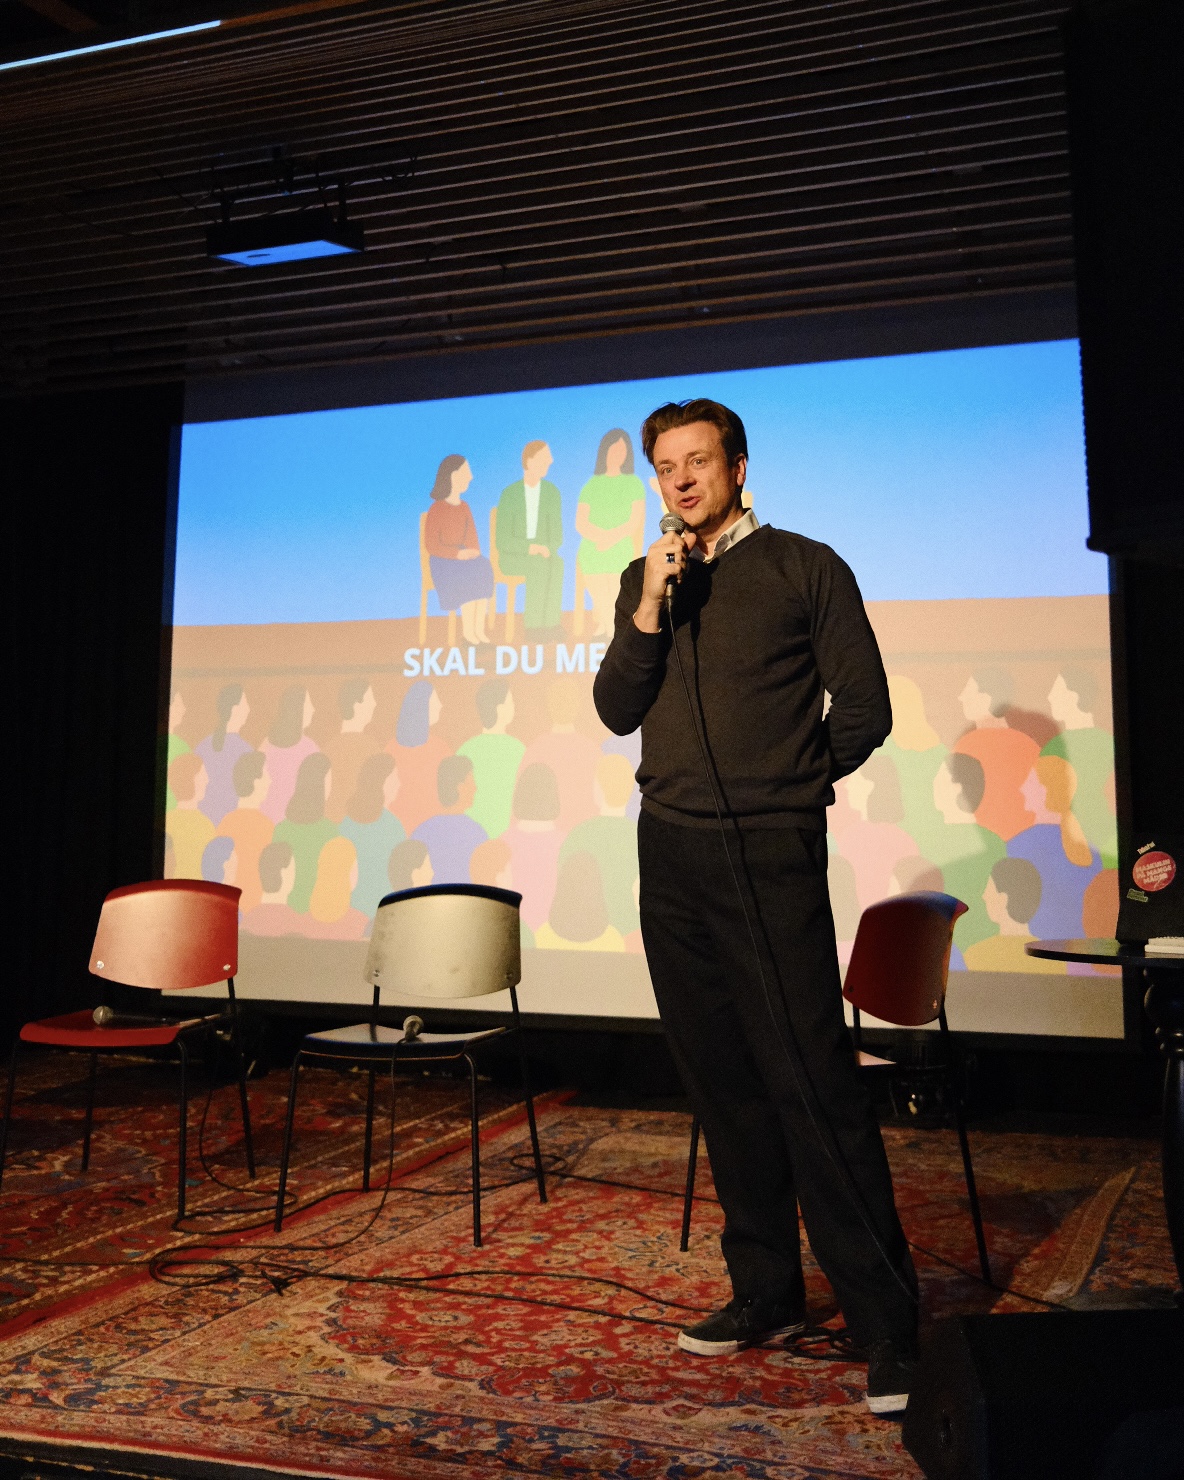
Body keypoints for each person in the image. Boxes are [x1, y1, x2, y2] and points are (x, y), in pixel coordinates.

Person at [592, 397, 918, 1415]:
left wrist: (788, 784)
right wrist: (651, 604)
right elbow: (615, 708)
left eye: (698, 461)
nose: (681, 480)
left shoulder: (803, 567)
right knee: (722, 1083)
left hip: (768, 851)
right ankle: (766, 1290)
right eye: (665, 467)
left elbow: (864, 708)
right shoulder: (647, 581)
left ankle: (888, 1325)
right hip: (669, 851)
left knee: (810, 1084)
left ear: (736, 466)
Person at [575, 428, 647, 637]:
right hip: (593, 546)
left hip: (621, 544)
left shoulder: (633, 483)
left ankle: (609, 627)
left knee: (616, 588)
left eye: (622, 451)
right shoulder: (591, 484)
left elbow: (634, 521)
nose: (617, 455)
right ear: (605, 451)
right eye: (613, 449)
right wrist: (601, 538)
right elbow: (581, 523)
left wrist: (611, 538)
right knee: (596, 578)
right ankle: (609, 625)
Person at [494, 440, 565, 635]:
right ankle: (533, 627)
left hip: (543, 554)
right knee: (538, 565)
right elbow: (503, 540)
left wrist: (548, 548)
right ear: (530, 461)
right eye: (545, 457)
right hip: (513, 557)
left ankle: (551, 624)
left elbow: (557, 534)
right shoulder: (510, 494)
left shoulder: (551, 492)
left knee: (557, 563)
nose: (550, 461)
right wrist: (531, 548)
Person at [424, 454, 494, 645]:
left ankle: (479, 631)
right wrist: (457, 554)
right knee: (467, 573)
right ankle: (468, 634)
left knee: (482, 566)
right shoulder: (436, 509)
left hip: (465, 558)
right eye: (466, 472)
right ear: (454, 476)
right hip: (443, 562)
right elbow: (432, 545)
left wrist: (473, 552)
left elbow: (472, 539)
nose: (470, 477)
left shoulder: (464, 507)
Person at [195, 684, 253, 825]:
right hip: (233, 822)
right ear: (234, 709)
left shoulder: (203, 745)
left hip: (205, 819)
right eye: (245, 704)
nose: (249, 709)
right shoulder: (246, 750)